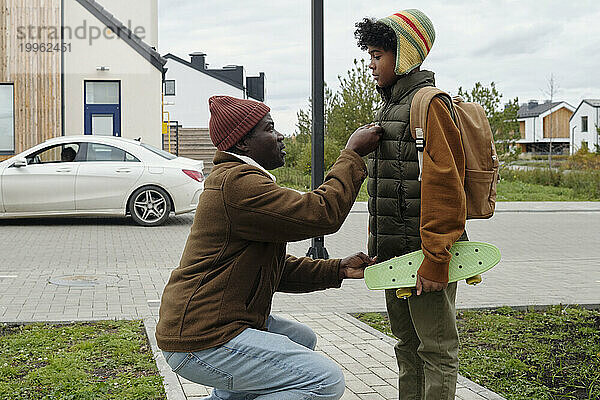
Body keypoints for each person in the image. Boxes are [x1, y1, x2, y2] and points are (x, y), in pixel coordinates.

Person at [155, 95, 383, 400]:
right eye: (270, 128)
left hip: (213, 325)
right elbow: (322, 213)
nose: (280, 135)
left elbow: (273, 268)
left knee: (301, 339)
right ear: (244, 144)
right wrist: (352, 153)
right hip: (203, 337)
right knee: (324, 381)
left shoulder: (241, 180)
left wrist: (337, 268)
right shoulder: (237, 185)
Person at [355, 9, 468, 400]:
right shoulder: (389, 107)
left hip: (425, 257)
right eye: (369, 54)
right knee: (406, 346)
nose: (370, 65)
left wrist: (437, 259)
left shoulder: (428, 104)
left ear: (403, 54)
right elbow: (389, 184)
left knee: (436, 349)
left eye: (377, 55)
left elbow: (444, 186)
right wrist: (376, 241)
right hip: (394, 254)